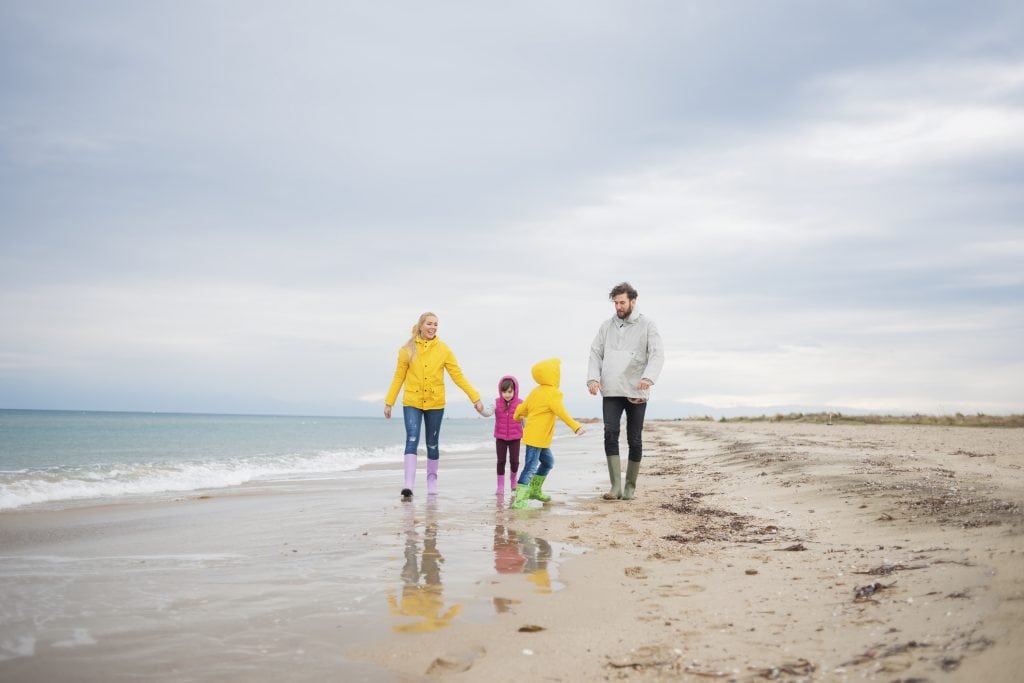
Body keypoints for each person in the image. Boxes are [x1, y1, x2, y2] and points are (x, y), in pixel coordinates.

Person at [385, 311, 486, 500]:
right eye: (429, 324)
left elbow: (458, 376)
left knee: (432, 443)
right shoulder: (406, 350)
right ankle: (408, 485)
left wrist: (475, 398)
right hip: (412, 401)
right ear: (421, 325)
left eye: (436, 325)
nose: (433, 327)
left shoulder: (444, 350)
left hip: (435, 402)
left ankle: (432, 481)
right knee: (412, 439)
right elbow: (398, 377)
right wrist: (389, 402)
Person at [587, 282, 664, 500]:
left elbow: (657, 354)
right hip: (610, 388)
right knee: (610, 434)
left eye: (622, 302)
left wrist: (649, 377)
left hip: (637, 388)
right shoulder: (606, 326)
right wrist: (593, 379)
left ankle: (630, 487)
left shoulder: (648, 324)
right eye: (616, 303)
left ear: (633, 301)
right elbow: (595, 353)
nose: (618, 307)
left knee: (634, 439)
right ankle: (615, 487)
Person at [511, 358, 585, 509]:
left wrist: (517, 416)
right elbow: (561, 412)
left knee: (548, 462)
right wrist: (575, 426)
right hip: (536, 438)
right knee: (531, 466)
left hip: (540, 438)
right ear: (554, 375)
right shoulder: (553, 393)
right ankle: (519, 500)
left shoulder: (535, 392)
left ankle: (535, 490)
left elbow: (522, 408)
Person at [492, 375, 523, 494]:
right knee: (501, 461)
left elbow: (525, 420)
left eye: (509, 391)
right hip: (500, 438)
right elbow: (487, 412)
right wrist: (480, 409)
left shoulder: (520, 403)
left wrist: (529, 433)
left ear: (515, 390)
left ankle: (513, 480)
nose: (507, 394)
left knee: (514, 461)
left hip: (515, 438)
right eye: (504, 392)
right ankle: (500, 486)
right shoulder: (496, 402)